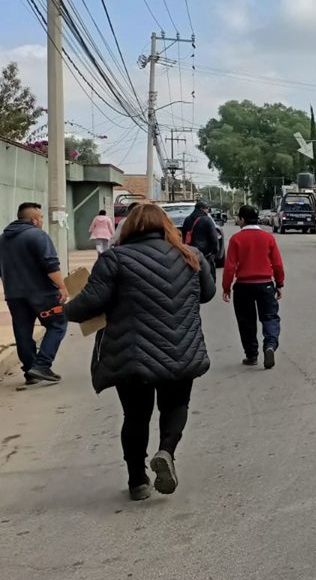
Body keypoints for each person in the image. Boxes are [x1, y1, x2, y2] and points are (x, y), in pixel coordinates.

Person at [64, 203, 215, 500]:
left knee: (135, 416)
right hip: (182, 349)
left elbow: (89, 305)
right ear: (166, 227)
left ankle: (137, 481)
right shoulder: (191, 256)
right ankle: (166, 452)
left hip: (133, 355)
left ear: (129, 227)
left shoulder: (115, 259)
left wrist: (65, 308)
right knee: (176, 405)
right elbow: (207, 294)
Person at [0, 202, 69, 385]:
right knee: (58, 324)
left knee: (22, 331)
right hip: (43, 294)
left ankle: (30, 371)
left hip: (14, 295)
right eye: (41, 217)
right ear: (34, 220)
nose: (42, 221)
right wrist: (62, 286)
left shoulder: (2, 239)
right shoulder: (37, 235)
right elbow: (51, 265)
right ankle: (42, 365)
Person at [223, 205, 284, 369]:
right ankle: (270, 345)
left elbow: (230, 267)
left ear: (242, 219)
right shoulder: (268, 238)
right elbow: (277, 264)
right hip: (265, 285)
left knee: (246, 322)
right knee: (270, 317)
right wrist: (279, 284)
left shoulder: (236, 239)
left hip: (243, 287)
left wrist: (226, 287)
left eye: (238, 218)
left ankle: (252, 355)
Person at [182, 200, 221, 272]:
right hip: (205, 254)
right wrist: (215, 252)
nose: (208, 211)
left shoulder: (187, 220)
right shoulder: (207, 220)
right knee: (209, 277)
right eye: (207, 209)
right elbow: (214, 238)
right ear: (202, 209)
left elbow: (183, 236)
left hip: (191, 255)